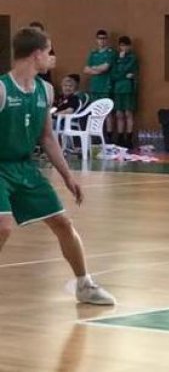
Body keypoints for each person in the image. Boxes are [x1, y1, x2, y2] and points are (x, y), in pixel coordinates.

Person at [0, 27, 115, 306]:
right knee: (2, 228)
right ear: (37, 53)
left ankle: (85, 285)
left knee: (62, 222)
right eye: (49, 51)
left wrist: (67, 176)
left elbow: (48, 138)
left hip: (25, 167)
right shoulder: (2, 88)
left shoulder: (46, 90)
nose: (52, 57)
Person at [83, 30, 115, 137]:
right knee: (95, 112)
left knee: (107, 112)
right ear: (96, 40)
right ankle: (95, 135)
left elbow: (105, 67)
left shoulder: (110, 52)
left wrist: (94, 69)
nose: (102, 41)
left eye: (104, 38)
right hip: (94, 86)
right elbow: (86, 69)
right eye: (100, 38)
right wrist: (97, 69)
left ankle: (108, 136)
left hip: (105, 86)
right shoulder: (93, 53)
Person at [111, 36, 139, 150]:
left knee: (128, 113)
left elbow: (128, 69)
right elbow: (114, 74)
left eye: (126, 45)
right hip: (118, 88)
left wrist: (122, 62)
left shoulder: (132, 57)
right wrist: (123, 74)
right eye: (121, 45)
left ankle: (129, 138)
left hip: (128, 88)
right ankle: (120, 137)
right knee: (118, 114)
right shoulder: (115, 58)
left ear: (129, 46)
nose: (123, 48)